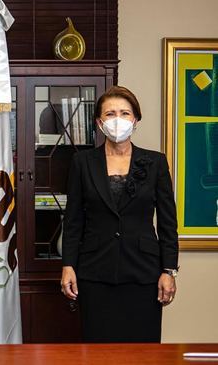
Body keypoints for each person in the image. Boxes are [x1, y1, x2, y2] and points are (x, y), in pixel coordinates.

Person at [61, 85, 179, 343]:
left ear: (135, 120)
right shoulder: (83, 162)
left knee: (143, 354)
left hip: (144, 273)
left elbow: (169, 223)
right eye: (110, 113)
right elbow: (73, 220)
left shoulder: (156, 162)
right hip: (94, 272)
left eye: (125, 113)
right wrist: (68, 265)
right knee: (97, 352)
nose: (118, 119)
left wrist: (168, 271)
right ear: (99, 122)